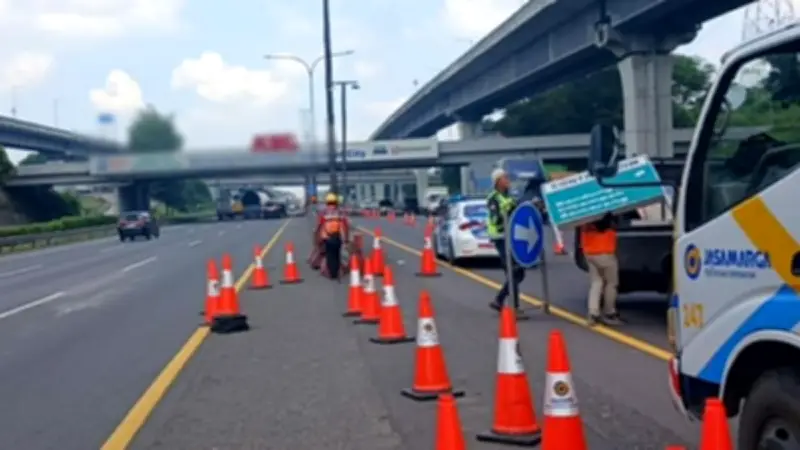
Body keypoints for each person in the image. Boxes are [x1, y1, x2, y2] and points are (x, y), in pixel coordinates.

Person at [486, 168, 525, 313]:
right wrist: (507, 212)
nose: (508, 180)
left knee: (517, 273)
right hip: (501, 238)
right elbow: (495, 219)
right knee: (514, 271)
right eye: (505, 178)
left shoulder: (509, 195)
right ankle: (510, 305)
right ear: (498, 181)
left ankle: (501, 301)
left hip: (512, 237)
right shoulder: (493, 198)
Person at [579, 212, 622, 326]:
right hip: (605, 252)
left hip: (589, 253)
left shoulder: (584, 217)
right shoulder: (605, 216)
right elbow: (611, 225)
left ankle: (593, 313)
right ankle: (609, 311)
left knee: (596, 282)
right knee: (611, 283)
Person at [316, 192, 349, 281]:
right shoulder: (340, 213)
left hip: (326, 237)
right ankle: (337, 271)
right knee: (337, 255)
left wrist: (318, 240)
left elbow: (319, 226)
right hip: (337, 237)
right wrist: (345, 240)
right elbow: (345, 226)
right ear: (336, 202)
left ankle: (330, 273)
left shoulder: (323, 213)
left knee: (329, 255)